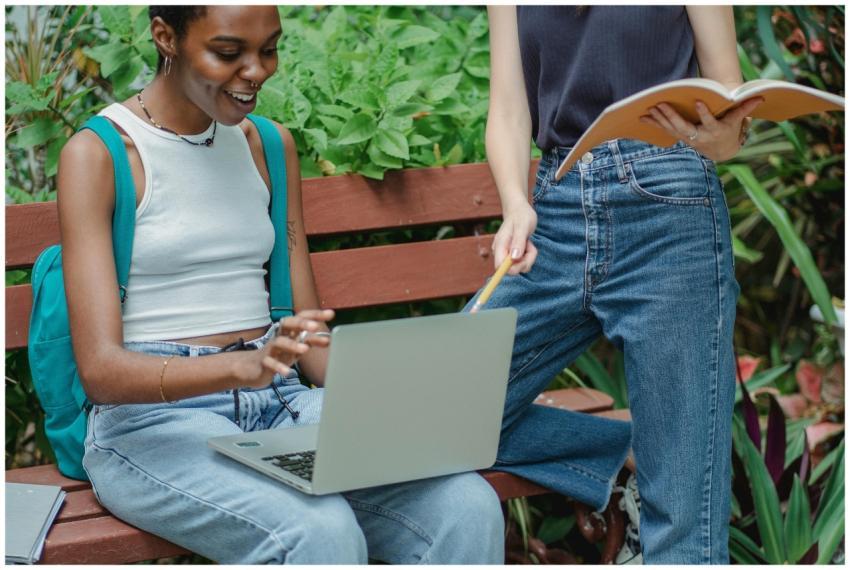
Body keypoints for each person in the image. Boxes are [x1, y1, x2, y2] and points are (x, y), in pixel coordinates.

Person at [59, 6, 504, 564]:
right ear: (165, 37)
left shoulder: (267, 146)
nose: (257, 70)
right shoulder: (99, 154)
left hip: (280, 406)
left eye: (268, 49)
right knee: (319, 531)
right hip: (152, 426)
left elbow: (308, 343)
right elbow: (101, 373)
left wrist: (406, 392)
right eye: (228, 53)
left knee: (465, 504)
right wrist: (239, 365)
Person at [477, 6, 762, 564]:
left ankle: (671, 456)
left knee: (685, 520)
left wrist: (720, 135)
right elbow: (510, 111)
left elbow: (730, 121)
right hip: (556, 209)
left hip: (669, 203)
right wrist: (515, 202)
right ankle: (631, 454)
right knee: (432, 413)